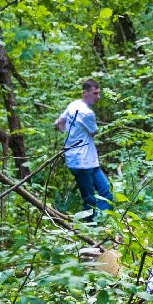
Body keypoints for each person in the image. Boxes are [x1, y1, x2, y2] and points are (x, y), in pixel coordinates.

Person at [53, 78, 114, 219]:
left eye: (99, 93)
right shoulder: (87, 113)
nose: (98, 97)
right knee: (89, 199)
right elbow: (94, 132)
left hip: (86, 160)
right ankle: (91, 229)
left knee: (105, 191)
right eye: (95, 93)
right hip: (81, 162)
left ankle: (103, 222)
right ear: (84, 93)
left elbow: (58, 123)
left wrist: (71, 131)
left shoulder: (73, 105)